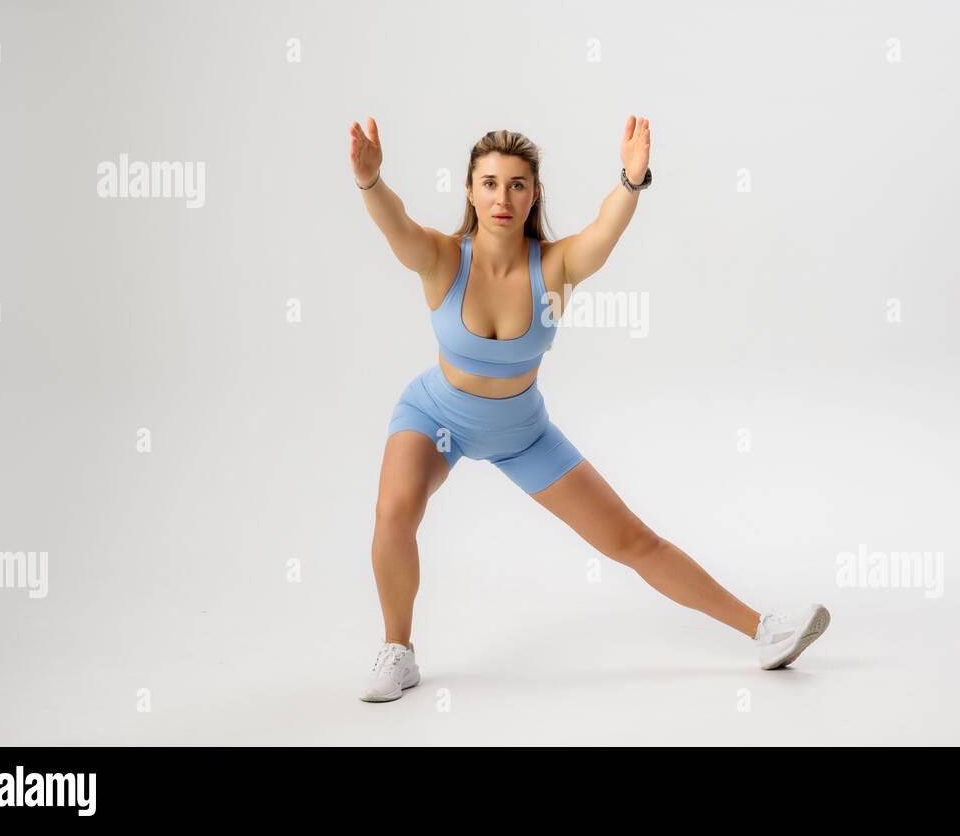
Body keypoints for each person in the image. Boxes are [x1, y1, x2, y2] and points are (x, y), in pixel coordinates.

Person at [349, 115, 830, 702]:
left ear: (534, 195)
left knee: (632, 540)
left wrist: (631, 182)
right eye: (491, 182)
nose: (503, 196)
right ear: (471, 191)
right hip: (436, 417)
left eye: (518, 184)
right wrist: (371, 182)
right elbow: (395, 224)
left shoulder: (554, 268)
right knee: (394, 512)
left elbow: (603, 230)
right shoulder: (442, 259)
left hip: (521, 432)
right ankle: (398, 652)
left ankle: (764, 630)